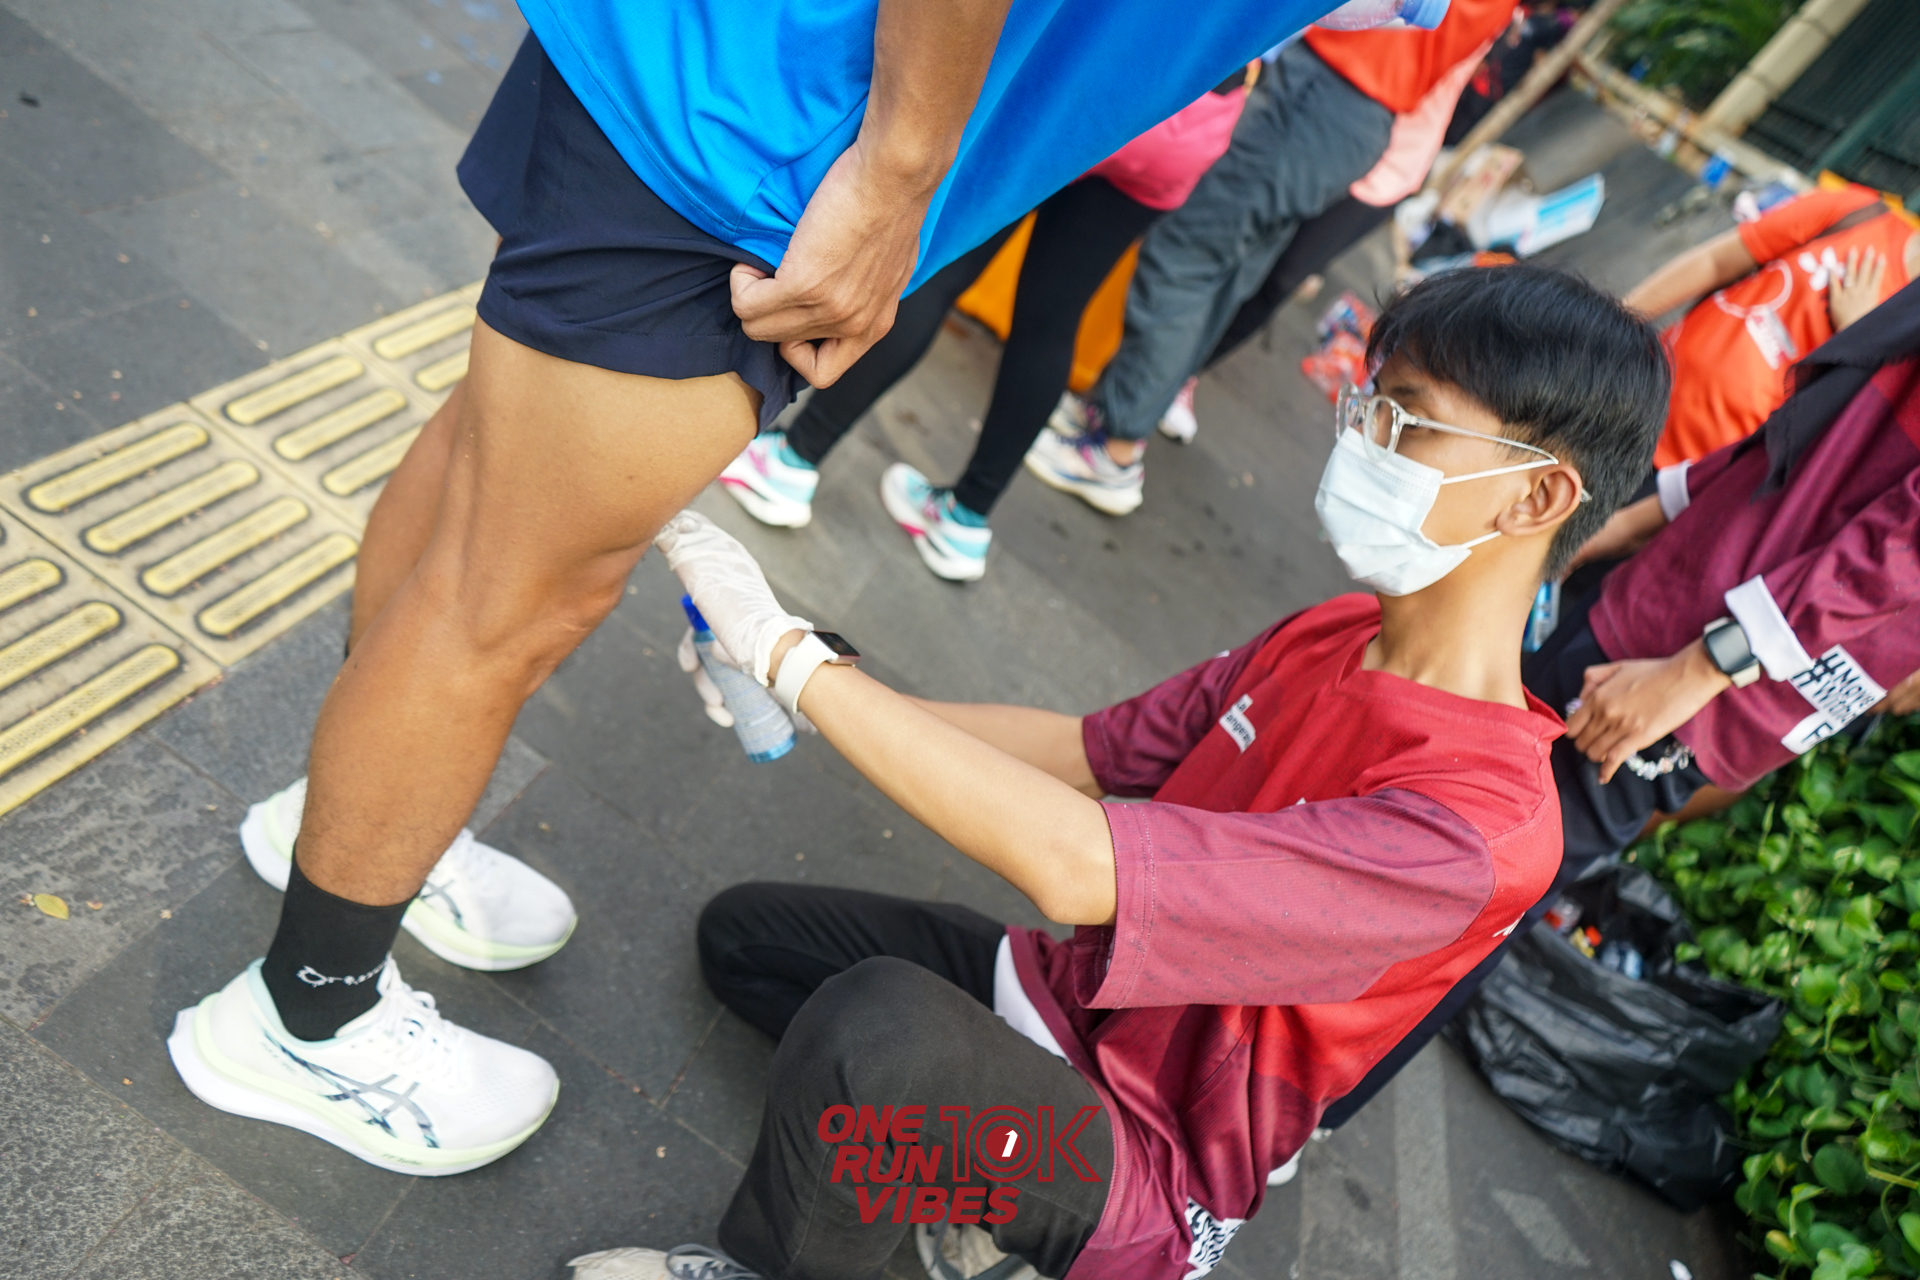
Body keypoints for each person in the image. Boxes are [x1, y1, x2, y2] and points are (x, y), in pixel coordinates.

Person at [162, 0, 1365, 1175]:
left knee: (488, 471)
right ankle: (310, 1012)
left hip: (725, 61)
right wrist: (895, 176)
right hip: (789, 136)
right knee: (518, 591)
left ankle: (356, 823)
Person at [566, 265, 1668, 1280]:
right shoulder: (1333, 631)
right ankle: (963, 1183)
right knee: (750, 940)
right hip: (1069, 1001)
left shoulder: (1481, 826)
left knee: (877, 1033)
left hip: (1147, 1157)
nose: (1362, 438)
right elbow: (1084, 753)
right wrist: (820, 693)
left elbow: (1078, 865)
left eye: (1406, 419)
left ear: (1535, 498)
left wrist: (791, 661)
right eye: (1368, 403)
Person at [714, 71, 1255, 577]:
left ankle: (794, 457)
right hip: (1192, 118)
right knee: (1053, 319)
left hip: (1089, 87)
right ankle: (965, 520)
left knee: (945, 267)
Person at [1018, 0, 1514, 515]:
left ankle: (1116, 447)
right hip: (1349, 108)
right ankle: (1113, 419)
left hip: (1329, 92)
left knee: (1185, 255)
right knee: (1222, 271)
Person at [1622, 181, 1920, 468]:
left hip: (1695, 468)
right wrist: (1612, 327)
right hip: (1636, 384)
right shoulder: (1858, 211)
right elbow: (1714, 262)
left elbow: (1862, 442)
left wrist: (1858, 340)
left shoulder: (1910, 335)